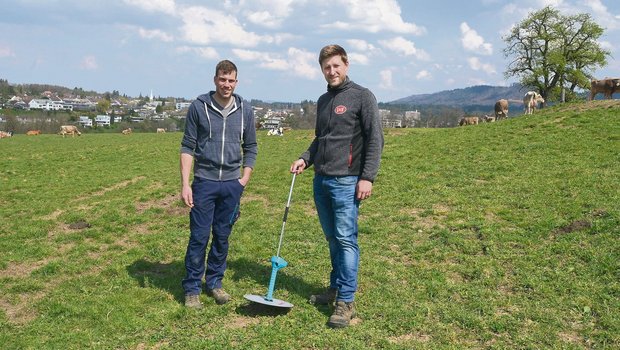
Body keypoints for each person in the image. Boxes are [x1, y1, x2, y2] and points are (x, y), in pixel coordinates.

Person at [290, 44, 384, 328]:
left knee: (345, 240)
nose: (331, 71)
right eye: (326, 67)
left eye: (336, 66)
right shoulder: (323, 100)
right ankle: (334, 288)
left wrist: (367, 176)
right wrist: (306, 158)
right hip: (322, 180)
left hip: (347, 181)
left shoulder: (362, 96)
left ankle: (346, 301)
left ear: (346, 64)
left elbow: (375, 139)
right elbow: (321, 139)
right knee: (333, 239)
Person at [180, 60, 258, 309]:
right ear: (215, 80)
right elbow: (187, 147)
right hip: (204, 182)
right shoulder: (198, 107)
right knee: (199, 237)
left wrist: (244, 178)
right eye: (222, 79)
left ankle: (214, 282)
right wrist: (185, 184)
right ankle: (192, 287)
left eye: (231, 80)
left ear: (236, 81)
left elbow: (251, 147)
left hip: (232, 185)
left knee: (222, 237)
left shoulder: (245, 109)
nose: (226, 84)